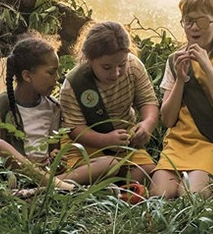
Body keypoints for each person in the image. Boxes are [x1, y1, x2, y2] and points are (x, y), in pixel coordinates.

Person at [149, 0, 213, 199]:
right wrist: (181, 79)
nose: (193, 27)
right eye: (188, 21)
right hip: (178, 143)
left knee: (191, 196)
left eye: (201, 21)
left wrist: (206, 67)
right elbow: (167, 119)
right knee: (159, 196)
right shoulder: (175, 60)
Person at [59, 21, 159, 187]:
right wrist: (105, 140)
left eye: (122, 64)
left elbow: (148, 102)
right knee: (106, 166)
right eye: (106, 67)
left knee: (147, 171)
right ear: (89, 60)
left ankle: (100, 184)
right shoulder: (74, 84)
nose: (116, 73)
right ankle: (59, 183)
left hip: (122, 143)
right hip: (85, 144)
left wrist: (146, 124)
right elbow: (74, 129)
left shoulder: (134, 67)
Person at [0, 37, 74, 191]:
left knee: (106, 162)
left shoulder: (53, 107)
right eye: (51, 72)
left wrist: (56, 158)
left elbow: (53, 149)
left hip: (46, 173)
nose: (57, 78)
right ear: (27, 76)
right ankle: (57, 187)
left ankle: (49, 185)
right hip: (12, 175)